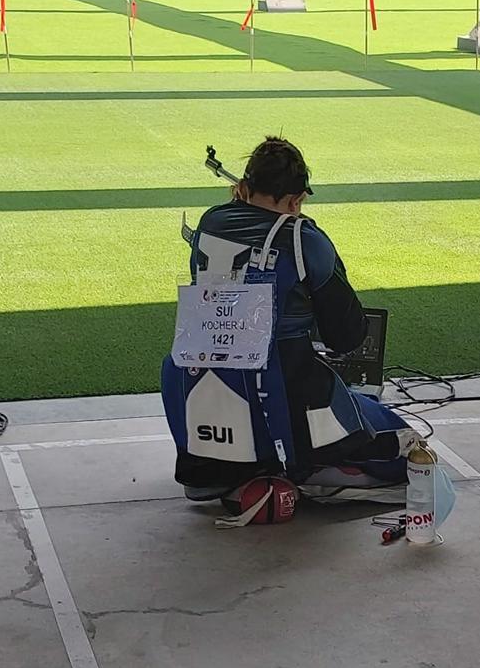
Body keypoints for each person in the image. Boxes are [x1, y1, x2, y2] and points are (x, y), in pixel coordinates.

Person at [161, 136, 413, 519]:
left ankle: (241, 472)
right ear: (296, 201)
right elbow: (346, 336)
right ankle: (302, 471)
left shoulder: (211, 221)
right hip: (280, 389)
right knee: (405, 452)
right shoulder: (303, 239)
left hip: (196, 392)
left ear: (242, 188)